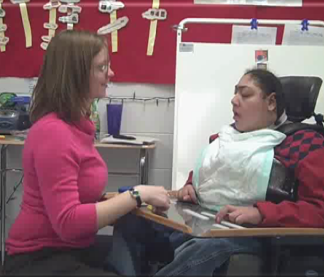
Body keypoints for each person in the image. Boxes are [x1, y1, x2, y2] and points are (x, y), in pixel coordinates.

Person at [108, 69, 324, 276]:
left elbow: (318, 210)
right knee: (129, 219)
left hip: (254, 237)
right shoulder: (226, 138)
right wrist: (190, 187)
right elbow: (208, 174)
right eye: (235, 92)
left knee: (206, 248)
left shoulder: (306, 144)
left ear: (271, 102)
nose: (234, 99)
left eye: (245, 94)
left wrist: (261, 213)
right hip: (201, 225)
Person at [4, 29, 170, 275]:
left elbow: (78, 200)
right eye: (102, 67)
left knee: (150, 253)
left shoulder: (76, 126)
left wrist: (128, 204)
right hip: (38, 259)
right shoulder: (54, 133)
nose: (111, 74)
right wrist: (137, 194)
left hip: (70, 248)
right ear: (77, 74)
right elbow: (69, 223)